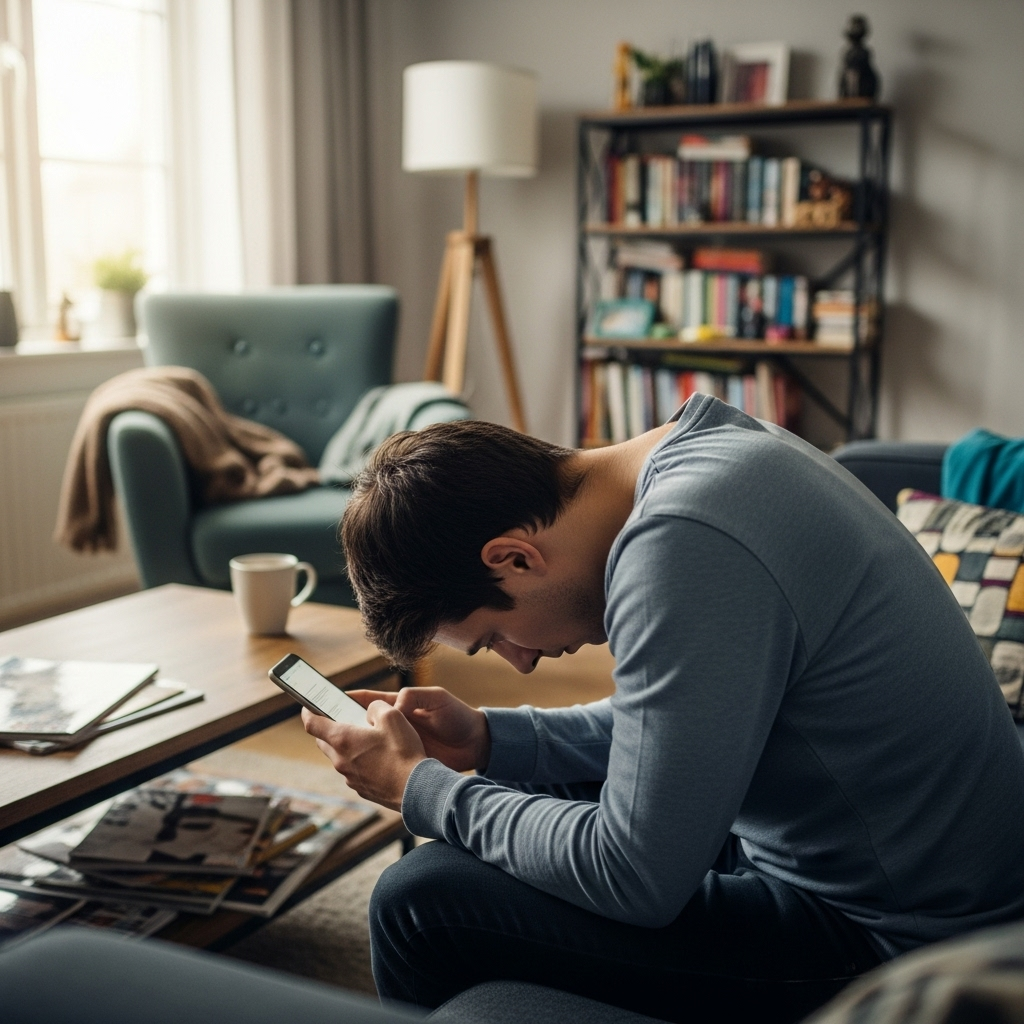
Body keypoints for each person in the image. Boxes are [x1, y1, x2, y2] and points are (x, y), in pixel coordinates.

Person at [302, 396, 1024, 1024]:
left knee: (418, 899)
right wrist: (489, 740)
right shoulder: (715, 452)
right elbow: (681, 725)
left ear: (515, 558)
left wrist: (421, 790)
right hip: (865, 864)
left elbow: (633, 876)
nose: (517, 661)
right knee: (513, 792)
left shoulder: (680, 543)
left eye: (493, 637)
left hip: (888, 935)